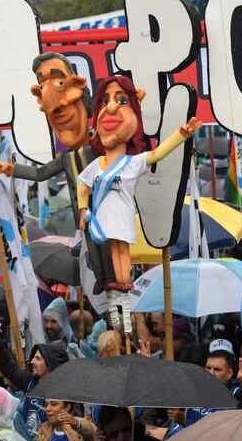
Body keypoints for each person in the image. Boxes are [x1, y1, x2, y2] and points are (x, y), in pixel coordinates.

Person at [77, 75, 201, 330]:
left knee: (123, 250)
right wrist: (82, 209)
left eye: (121, 101)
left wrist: (181, 134)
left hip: (123, 213)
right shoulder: (95, 165)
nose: (111, 108)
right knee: (114, 249)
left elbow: (158, 153)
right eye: (106, 101)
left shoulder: (133, 163)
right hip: (103, 217)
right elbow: (83, 184)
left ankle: (124, 286)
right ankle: (119, 297)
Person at [0, 52, 116, 296]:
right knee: (92, 246)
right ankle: (102, 277)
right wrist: (13, 170)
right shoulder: (66, 157)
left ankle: (112, 275)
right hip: (82, 214)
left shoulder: (97, 146)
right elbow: (41, 173)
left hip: (104, 208)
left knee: (106, 244)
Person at [0, 314, 68, 441]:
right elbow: (9, 368)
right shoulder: (30, 381)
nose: (32, 361)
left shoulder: (64, 393)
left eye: (38, 359)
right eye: (33, 357)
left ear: (50, 364)